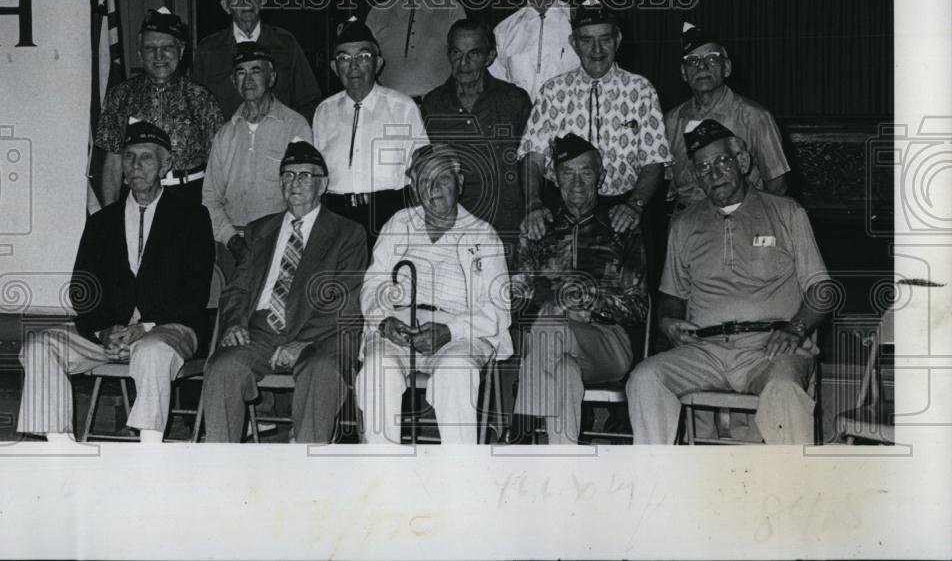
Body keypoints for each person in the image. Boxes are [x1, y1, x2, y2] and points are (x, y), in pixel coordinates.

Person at [627, 120, 831, 445]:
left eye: (722, 161)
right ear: (695, 177)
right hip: (706, 351)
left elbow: (822, 290)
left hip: (770, 348)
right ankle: (656, 484)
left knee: (784, 390)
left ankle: (797, 489)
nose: (713, 173)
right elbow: (671, 296)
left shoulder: (787, 213)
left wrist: (795, 329)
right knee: (645, 378)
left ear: (742, 162)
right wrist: (668, 321)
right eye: (703, 167)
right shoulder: (684, 224)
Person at [17, 122, 215, 444]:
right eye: (129, 157)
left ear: (166, 164)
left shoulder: (191, 218)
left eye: (147, 158)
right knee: (38, 346)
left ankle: (148, 452)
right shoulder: (100, 223)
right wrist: (104, 329)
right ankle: (60, 449)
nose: (136, 165)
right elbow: (81, 290)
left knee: (151, 352)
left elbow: (195, 291)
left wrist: (146, 326)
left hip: (168, 329)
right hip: (108, 336)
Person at [201, 140, 367, 443]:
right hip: (260, 332)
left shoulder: (347, 233)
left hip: (322, 336)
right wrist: (235, 322)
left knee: (320, 370)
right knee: (223, 367)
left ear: (323, 184)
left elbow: (347, 301)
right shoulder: (258, 230)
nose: (295, 183)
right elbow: (237, 288)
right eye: (288, 176)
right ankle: (218, 469)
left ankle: (307, 470)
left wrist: (302, 342)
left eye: (305, 176)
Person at [356, 143, 513, 444]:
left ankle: (458, 475)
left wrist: (448, 331)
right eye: (425, 180)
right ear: (415, 188)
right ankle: (381, 475)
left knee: (455, 370)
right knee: (377, 369)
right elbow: (372, 286)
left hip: (459, 334)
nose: (434, 187)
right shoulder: (398, 224)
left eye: (442, 178)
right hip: (398, 328)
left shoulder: (483, 234)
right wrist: (385, 321)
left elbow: (497, 311)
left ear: (460, 183)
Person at [512, 134, 649, 444]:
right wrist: (557, 302)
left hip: (607, 342)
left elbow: (638, 309)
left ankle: (520, 432)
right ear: (555, 178)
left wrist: (591, 302)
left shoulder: (620, 227)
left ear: (600, 177)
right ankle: (565, 468)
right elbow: (516, 300)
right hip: (552, 350)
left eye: (586, 172)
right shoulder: (540, 228)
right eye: (567, 172)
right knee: (564, 373)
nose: (576, 182)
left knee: (550, 327)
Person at [519, 0, 670, 240]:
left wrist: (635, 205)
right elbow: (533, 157)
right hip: (564, 205)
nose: (597, 50)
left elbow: (654, 161)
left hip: (625, 207)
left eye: (605, 39)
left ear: (618, 40)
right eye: (587, 40)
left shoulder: (641, 90)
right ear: (574, 44)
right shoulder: (552, 91)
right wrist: (534, 204)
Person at [313, 16, 428, 252]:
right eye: (344, 58)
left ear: (378, 64)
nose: (353, 65)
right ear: (335, 68)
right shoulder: (323, 112)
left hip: (388, 216)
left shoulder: (403, 107)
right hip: (337, 219)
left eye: (363, 57)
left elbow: (422, 171)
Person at [202, 41, 312, 277]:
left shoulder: (296, 127)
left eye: (256, 71)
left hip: (282, 243)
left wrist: (287, 242)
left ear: (271, 77)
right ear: (234, 82)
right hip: (233, 249)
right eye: (241, 72)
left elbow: (305, 194)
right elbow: (210, 199)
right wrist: (232, 242)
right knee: (235, 312)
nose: (248, 79)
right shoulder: (225, 135)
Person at [95, 7, 224, 206]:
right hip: (135, 198)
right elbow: (112, 165)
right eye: (150, 48)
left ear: (180, 51)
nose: (159, 56)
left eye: (167, 47)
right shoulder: (119, 96)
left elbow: (219, 164)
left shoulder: (201, 97)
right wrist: (110, 219)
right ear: (140, 53)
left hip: (189, 198)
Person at [420, 19, 532, 240]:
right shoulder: (433, 104)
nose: (463, 63)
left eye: (474, 54)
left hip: (507, 227)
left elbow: (531, 163)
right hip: (455, 230)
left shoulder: (514, 100)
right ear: (448, 53)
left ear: (490, 57)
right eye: (456, 53)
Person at [665, 21, 789, 214]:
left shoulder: (755, 117)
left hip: (741, 219)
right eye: (693, 60)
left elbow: (777, 185)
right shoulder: (672, 121)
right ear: (683, 72)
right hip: (687, 223)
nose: (702, 67)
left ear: (727, 68)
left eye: (712, 59)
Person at [193, 0, 321, 122]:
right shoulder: (208, 50)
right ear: (226, 7)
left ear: (263, 0)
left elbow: (309, 100)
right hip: (228, 144)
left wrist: (293, 138)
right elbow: (196, 106)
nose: (246, 2)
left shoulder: (285, 44)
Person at [488, 0, 581, 102]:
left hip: (571, 124)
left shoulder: (579, 22)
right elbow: (496, 91)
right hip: (524, 125)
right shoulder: (503, 31)